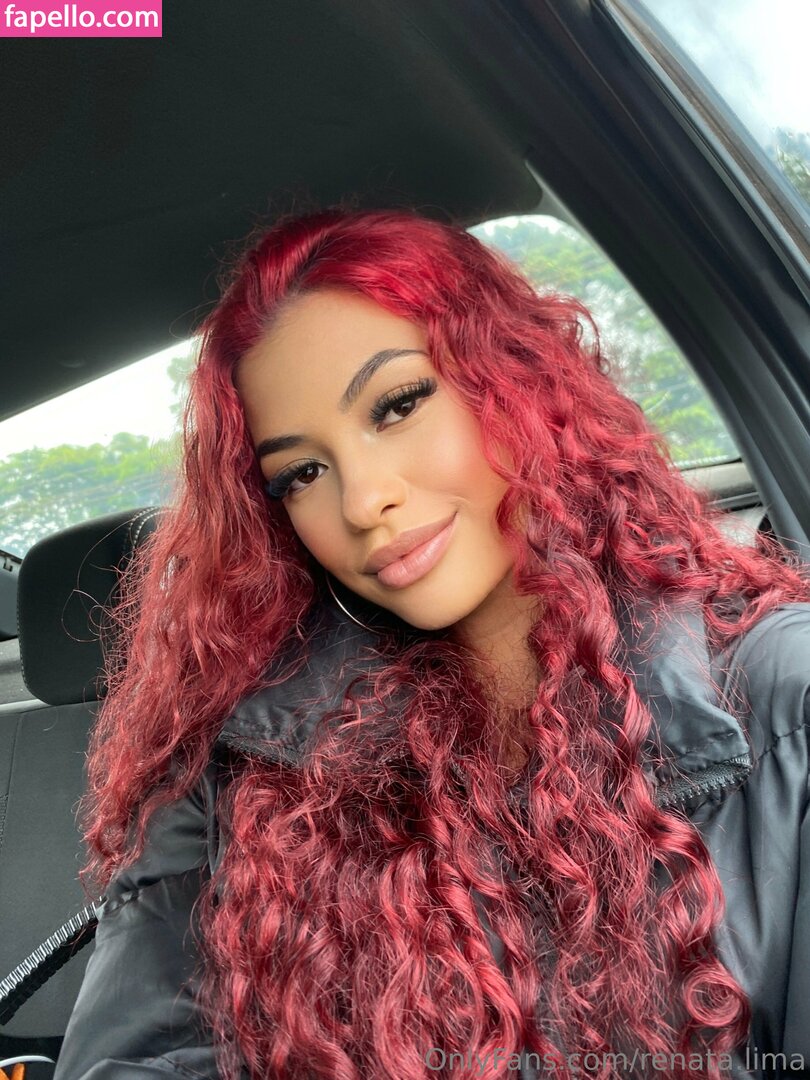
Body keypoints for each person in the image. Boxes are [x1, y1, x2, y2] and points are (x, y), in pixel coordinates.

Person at [53, 208, 810, 1080]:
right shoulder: (244, 766)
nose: (362, 499)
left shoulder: (781, 708)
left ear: (516, 382)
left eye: (398, 405)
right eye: (302, 473)